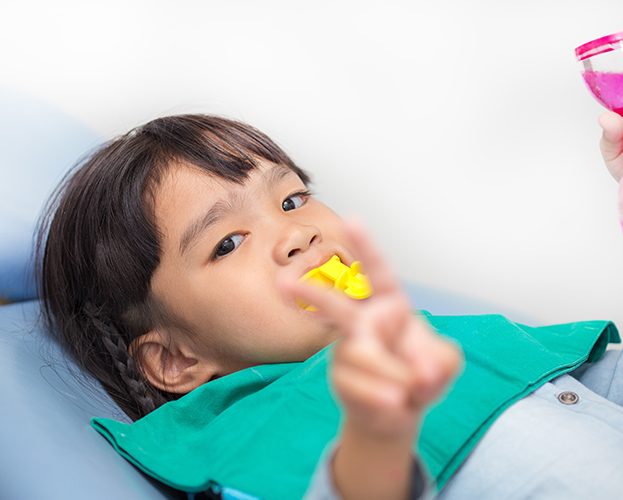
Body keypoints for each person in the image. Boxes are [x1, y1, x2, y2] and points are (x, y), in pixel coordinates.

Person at [36, 114, 623, 500]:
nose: (299, 234)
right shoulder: (252, 440)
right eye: (228, 243)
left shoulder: (442, 339)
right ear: (175, 360)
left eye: (292, 198)